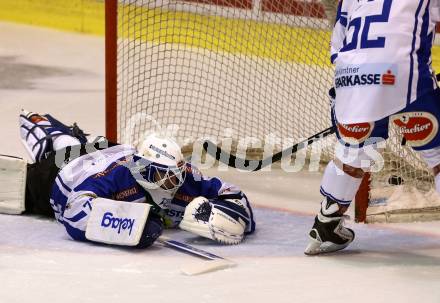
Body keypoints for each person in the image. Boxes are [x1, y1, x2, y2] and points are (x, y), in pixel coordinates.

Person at [0, 110, 255, 248]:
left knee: (75, 139)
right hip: (66, 170)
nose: (171, 184)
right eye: (162, 176)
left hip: (109, 148)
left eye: (175, 175)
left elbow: (235, 195)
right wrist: (136, 225)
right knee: (57, 145)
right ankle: (41, 123)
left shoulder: (186, 178)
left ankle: (64, 133)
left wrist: (226, 214)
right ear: (143, 170)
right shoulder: (114, 178)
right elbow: (74, 212)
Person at [305, 0, 440, 255]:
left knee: (354, 155)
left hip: (351, 76)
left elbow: (337, 47)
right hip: (403, 75)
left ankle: (326, 224)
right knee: (438, 155)